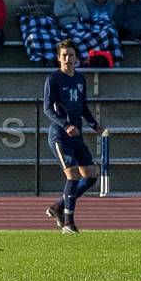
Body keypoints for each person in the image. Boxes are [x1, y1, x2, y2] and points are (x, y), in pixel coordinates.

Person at [44, 39, 103, 234]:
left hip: (77, 136)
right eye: (64, 55)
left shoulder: (79, 79)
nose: (67, 58)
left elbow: (83, 106)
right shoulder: (53, 79)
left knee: (91, 177)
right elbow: (47, 109)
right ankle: (68, 223)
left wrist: (94, 124)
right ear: (58, 58)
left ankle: (59, 206)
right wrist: (66, 124)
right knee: (73, 176)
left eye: (70, 55)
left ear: (76, 57)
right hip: (60, 136)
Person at [16, 0, 61, 64]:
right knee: (33, 38)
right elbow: (20, 20)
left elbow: (52, 17)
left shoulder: (46, 3)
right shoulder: (22, 5)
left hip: (46, 28)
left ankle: (53, 58)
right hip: (32, 29)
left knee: (54, 37)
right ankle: (38, 58)